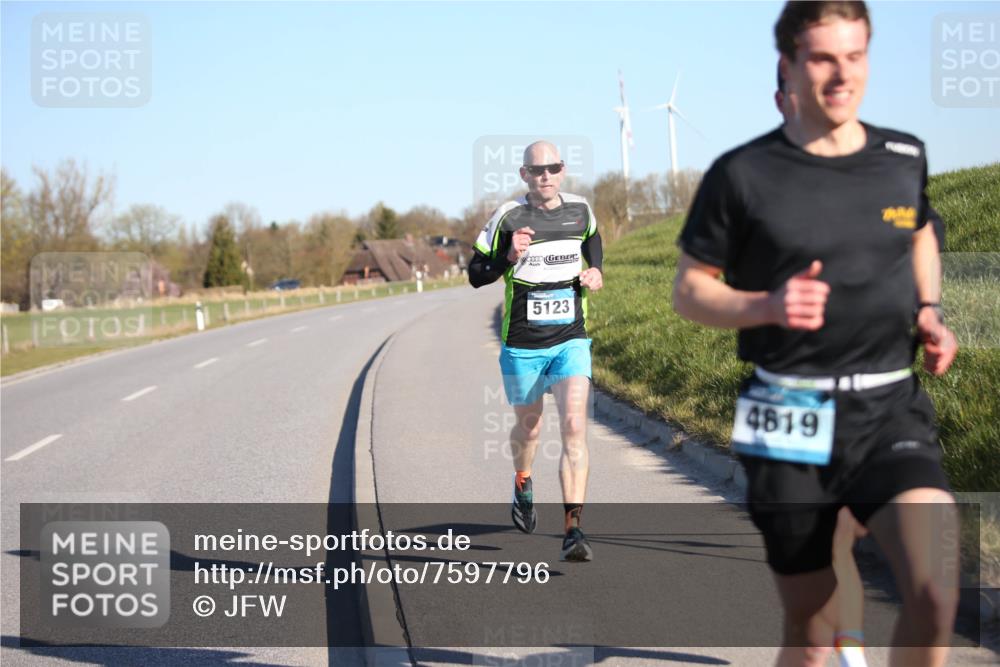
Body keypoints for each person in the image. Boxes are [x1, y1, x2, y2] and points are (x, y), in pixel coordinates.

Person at [674, 3, 959, 666]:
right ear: (790, 67)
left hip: (888, 405)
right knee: (815, 629)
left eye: (855, 57)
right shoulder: (741, 175)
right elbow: (689, 290)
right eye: (823, 59)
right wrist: (768, 304)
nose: (842, 75)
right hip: (788, 411)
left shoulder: (902, 155)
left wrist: (929, 311)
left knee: (936, 591)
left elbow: (919, 232)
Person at [468, 140, 604, 562]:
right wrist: (508, 256)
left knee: (574, 428)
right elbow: (475, 274)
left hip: (571, 340)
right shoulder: (508, 216)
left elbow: (593, 239)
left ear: (563, 170)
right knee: (529, 430)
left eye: (553, 167)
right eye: (537, 169)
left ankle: (573, 529)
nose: (545, 175)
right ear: (524, 174)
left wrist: (596, 269)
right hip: (523, 345)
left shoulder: (581, 209)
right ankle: (523, 479)